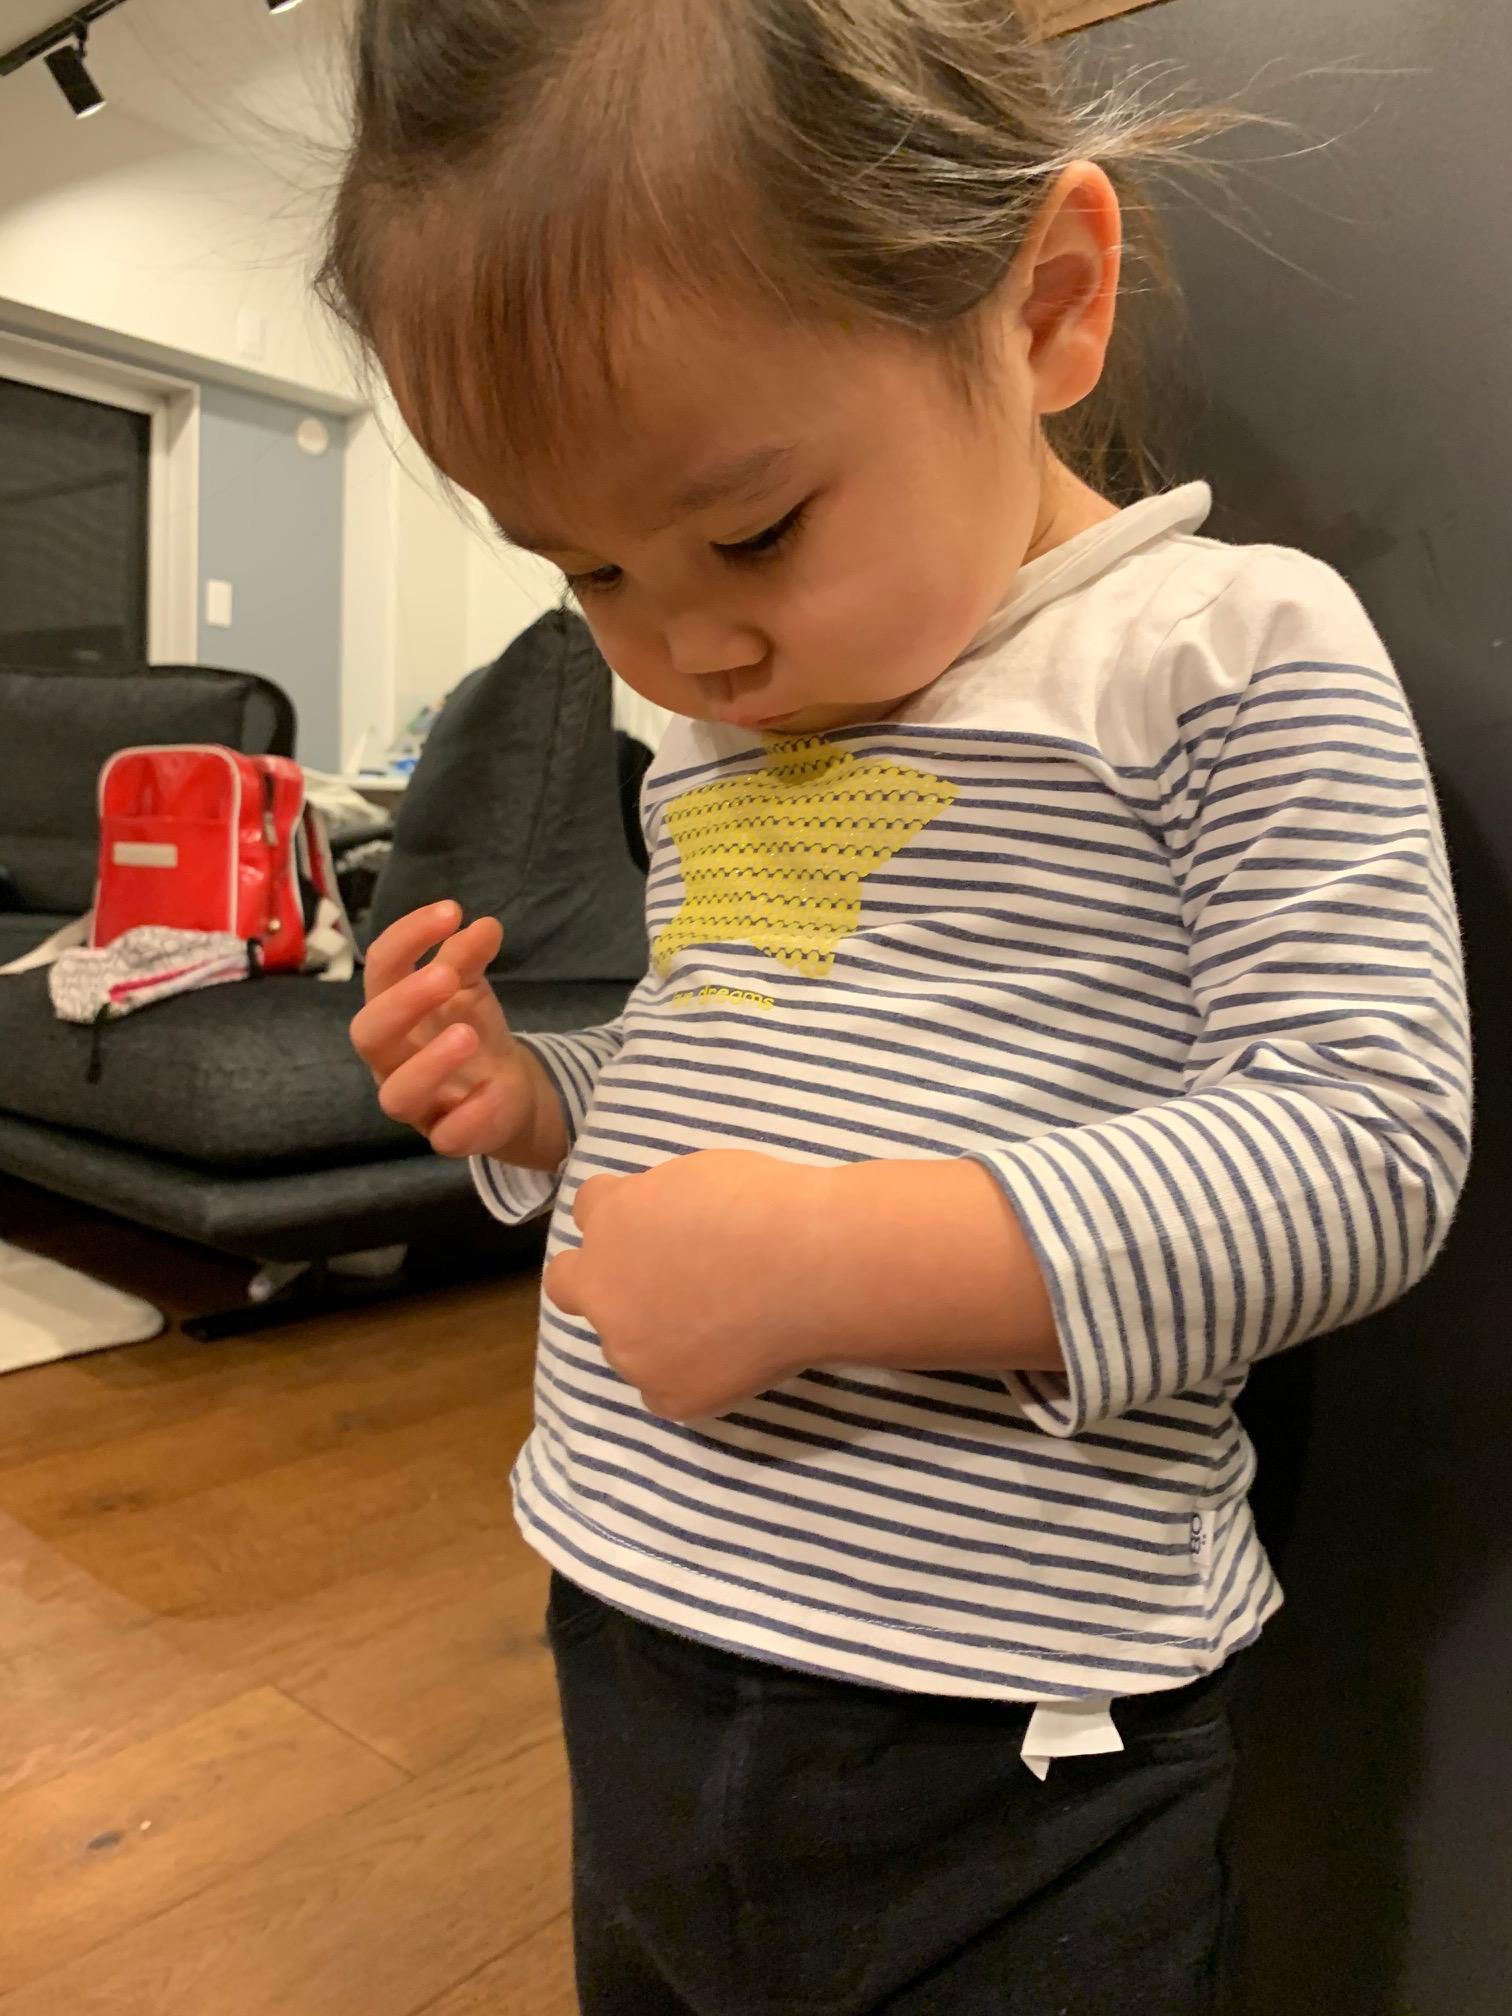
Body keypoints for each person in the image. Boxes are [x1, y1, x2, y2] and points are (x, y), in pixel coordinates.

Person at [334, 3, 1471, 2010]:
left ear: (1045, 305)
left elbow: (1363, 1141)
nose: (688, 647)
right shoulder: (722, 735)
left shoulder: (1218, 643)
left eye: (753, 529)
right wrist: (539, 1097)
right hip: (631, 1615)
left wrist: (837, 1264)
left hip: (1000, 1731)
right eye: (587, 570)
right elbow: (735, 1058)